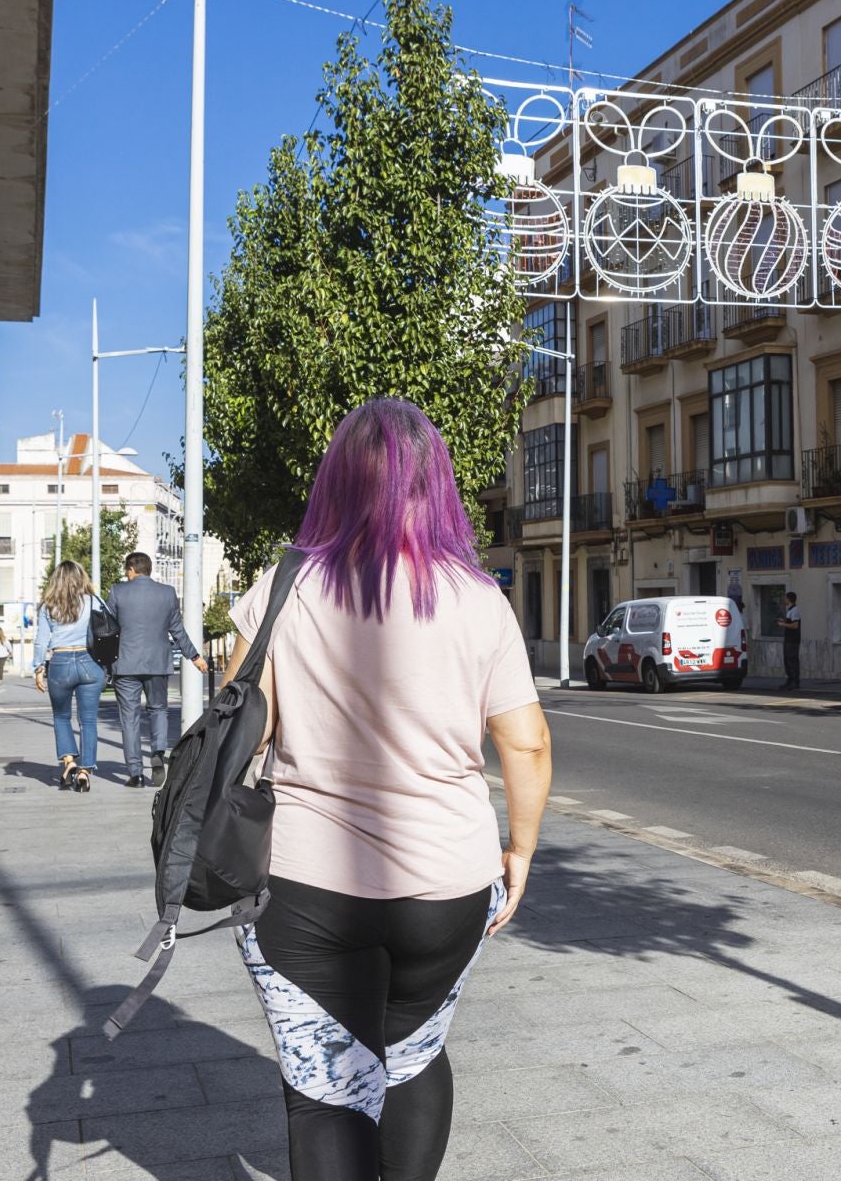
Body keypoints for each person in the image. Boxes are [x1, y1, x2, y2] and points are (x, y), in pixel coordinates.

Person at [226, 399, 551, 1180]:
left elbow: (242, 725)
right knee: (414, 1054)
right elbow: (528, 741)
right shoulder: (478, 598)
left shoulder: (287, 584)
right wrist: (522, 851)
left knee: (323, 1092)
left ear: (335, 481)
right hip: (446, 882)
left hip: (305, 882)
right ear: (434, 486)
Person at [108, 551, 208, 788]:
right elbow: (177, 629)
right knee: (158, 710)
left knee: (129, 718)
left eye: (126, 570)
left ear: (131, 569)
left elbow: (108, 629)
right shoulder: (167, 593)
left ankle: (135, 773)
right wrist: (194, 656)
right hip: (157, 663)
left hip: (125, 664)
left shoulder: (117, 592)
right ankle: (157, 752)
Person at [32, 561, 105, 793]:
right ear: (81, 577)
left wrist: (38, 669)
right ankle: (85, 772)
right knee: (89, 721)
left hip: (60, 662)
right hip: (89, 661)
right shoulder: (94, 601)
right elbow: (109, 627)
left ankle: (69, 763)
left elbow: (41, 640)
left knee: (62, 717)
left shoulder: (48, 606)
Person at [776, 591, 802, 689]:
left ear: (789, 599)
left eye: (785, 598)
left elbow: (795, 625)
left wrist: (783, 624)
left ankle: (795, 681)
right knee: (787, 660)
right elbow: (790, 622)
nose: (784, 600)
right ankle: (790, 679)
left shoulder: (795, 610)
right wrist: (783, 621)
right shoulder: (790, 610)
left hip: (793, 640)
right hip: (788, 639)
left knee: (792, 660)